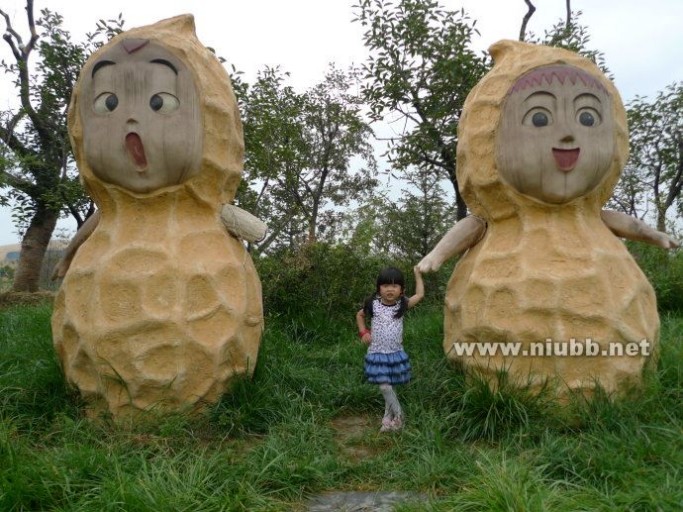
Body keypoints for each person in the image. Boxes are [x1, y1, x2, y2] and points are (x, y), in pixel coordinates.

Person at [356, 266, 424, 432]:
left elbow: (420, 295)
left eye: (394, 286)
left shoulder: (402, 304)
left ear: (401, 290)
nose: (390, 289)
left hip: (395, 354)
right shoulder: (373, 304)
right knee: (385, 386)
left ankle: (388, 418)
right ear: (379, 288)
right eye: (386, 285)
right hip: (377, 354)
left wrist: (417, 274)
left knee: (389, 387)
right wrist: (363, 332)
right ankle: (400, 417)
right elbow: (359, 315)